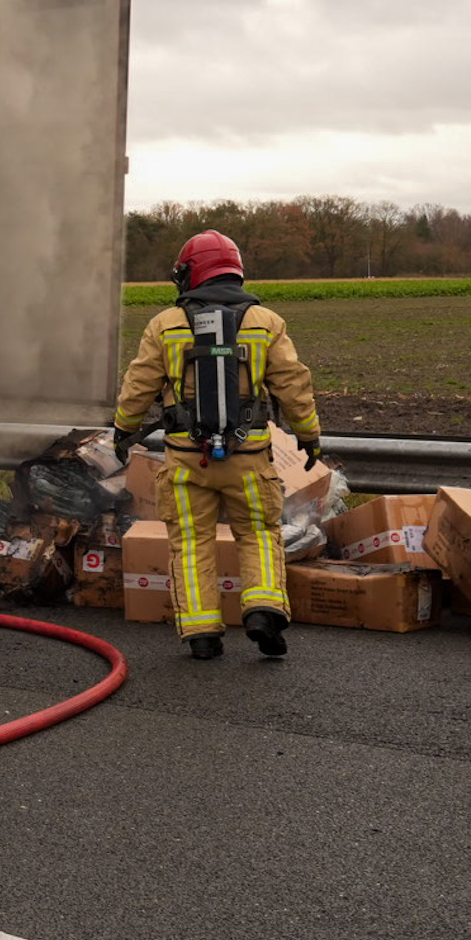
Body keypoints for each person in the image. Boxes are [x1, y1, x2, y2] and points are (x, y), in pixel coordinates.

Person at [112, 230, 322, 659]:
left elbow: (139, 385)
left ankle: (201, 634)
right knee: (258, 533)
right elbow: (293, 384)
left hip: (187, 461)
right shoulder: (266, 322)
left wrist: (123, 428)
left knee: (190, 542)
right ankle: (262, 610)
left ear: (191, 273)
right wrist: (308, 435)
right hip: (249, 458)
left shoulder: (165, 324)